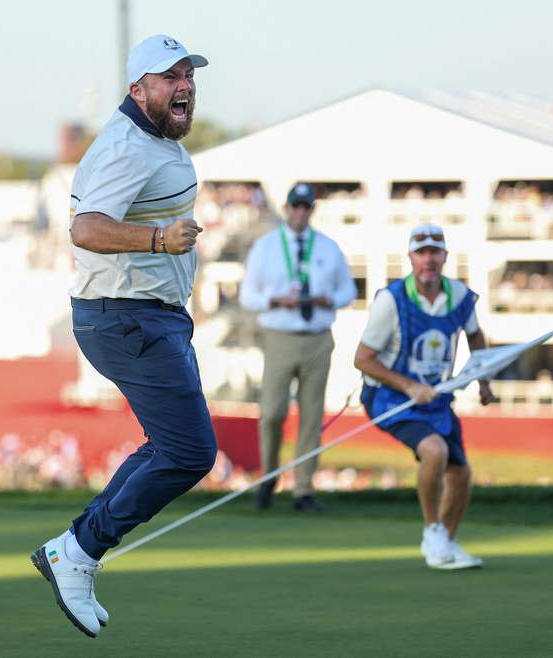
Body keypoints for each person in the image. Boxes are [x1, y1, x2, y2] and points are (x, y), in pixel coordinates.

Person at [30, 34, 211, 638]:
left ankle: (74, 550)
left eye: (188, 74)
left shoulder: (158, 138)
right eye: (170, 77)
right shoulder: (126, 146)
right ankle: (77, 551)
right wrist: (159, 242)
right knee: (190, 452)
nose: (184, 84)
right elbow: (84, 228)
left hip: (150, 314)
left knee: (168, 446)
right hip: (124, 316)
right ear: (138, 90)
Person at [354, 224, 494, 570]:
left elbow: (476, 338)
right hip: (391, 399)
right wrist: (409, 387)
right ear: (411, 258)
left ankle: (445, 540)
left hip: (436, 400)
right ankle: (432, 532)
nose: (428, 259)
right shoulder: (391, 300)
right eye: (422, 252)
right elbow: (362, 359)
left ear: (445, 256)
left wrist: (483, 380)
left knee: (461, 475)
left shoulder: (461, 297)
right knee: (435, 451)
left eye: (435, 252)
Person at [239, 183, 356, 512]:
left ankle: (304, 488)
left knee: (311, 415)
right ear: (287, 208)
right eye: (296, 206)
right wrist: (276, 300)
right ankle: (269, 478)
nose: (301, 212)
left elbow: (347, 290)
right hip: (280, 334)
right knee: (272, 412)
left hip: (317, 335)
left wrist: (328, 299)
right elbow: (248, 296)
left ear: (311, 210)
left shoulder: (328, 248)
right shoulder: (266, 247)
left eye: (307, 207)